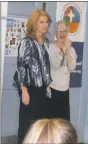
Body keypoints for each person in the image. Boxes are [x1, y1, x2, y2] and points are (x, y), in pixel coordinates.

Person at [15, 9, 52, 144]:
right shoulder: (27, 41)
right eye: (41, 22)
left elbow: (46, 65)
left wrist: (48, 84)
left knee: (40, 125)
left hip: (42, 89)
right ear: (34, 23)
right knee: (27, 124)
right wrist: (24, 91)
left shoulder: (46, 41)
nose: (44, 25)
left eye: (46, 22)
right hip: (29, 88)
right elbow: (21, 67)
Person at [48, 20, 77, 121]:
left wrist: (67, 50)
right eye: (59, 31)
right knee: (52, 121)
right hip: (53, 89)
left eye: (65, 31)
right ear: (55, 33)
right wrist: (63, 51)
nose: (62, 34)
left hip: (65, 90)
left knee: (64, 121)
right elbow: (55, 64)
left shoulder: (71, 49)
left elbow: (72, 67)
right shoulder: (51, 47)